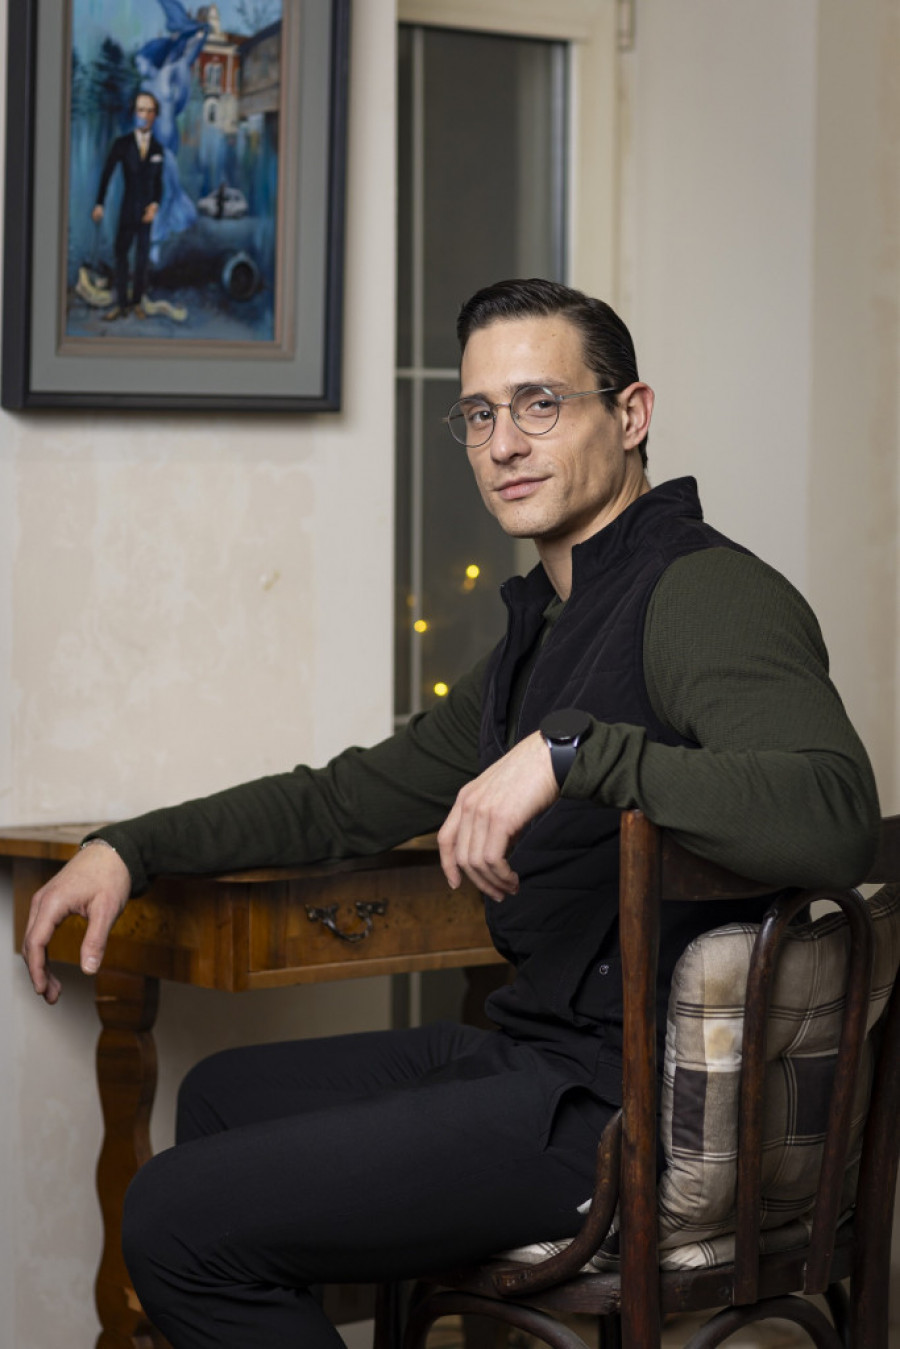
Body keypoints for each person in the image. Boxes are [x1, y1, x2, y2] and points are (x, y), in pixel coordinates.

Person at [22, 279, 879, 1349]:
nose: (503, 442)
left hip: (616, 1110)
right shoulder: (548, 629)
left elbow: (837, 813)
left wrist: (576, 755)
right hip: (538, 1059)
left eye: (540, 404)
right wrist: (129, 847)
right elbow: (345, 798)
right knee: (227, 1094)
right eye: (480, 412)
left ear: (632, 415)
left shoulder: (700, 592)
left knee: (172, 1217)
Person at [91, 92, 164, 321]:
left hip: (146, 213)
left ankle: (137, 302)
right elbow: (107, 174)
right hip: (127, 209)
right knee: (121, 253)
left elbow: (158, 183)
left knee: (142, 258)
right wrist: (99, 203)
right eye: (141, 110)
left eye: (150, 111)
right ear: (134, 113)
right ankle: (121, 303)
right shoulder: (122, 144)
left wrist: (155, 205)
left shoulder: (157, 149)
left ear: (155, 115)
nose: (146, 115)